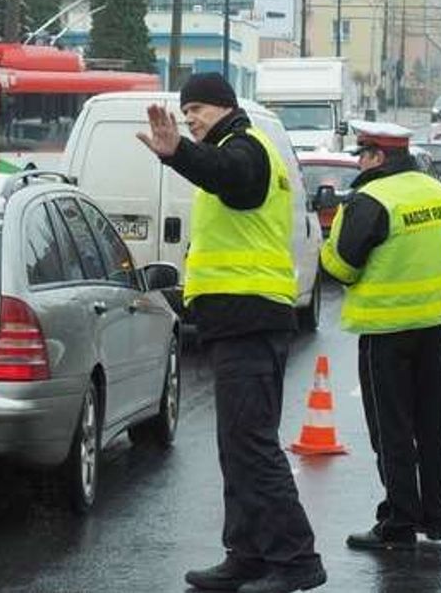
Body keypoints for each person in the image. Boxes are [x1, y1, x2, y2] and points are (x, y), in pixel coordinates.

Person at [137, 72, 325, 593]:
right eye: (186, 110)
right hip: (239, 320)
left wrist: (178, 155)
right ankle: (246, 554)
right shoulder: (234, 149)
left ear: (223, 106)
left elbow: (230, 177)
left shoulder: (246, 149)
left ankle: (295, 560)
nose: (189, 118)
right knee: (237, 446)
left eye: (196, 108)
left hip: (251, 319)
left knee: (252, 445)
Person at [319, 121, 441, 553]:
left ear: (379, 157)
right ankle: (435, 517)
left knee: (391, 430)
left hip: (385, 332)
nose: (358, 161)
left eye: (362, 154)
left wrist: (334, 234)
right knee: (433, 427)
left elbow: (341, 267)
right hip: (432, 328)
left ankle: (398, 520)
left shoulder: (372, 199)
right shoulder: (439, 192)